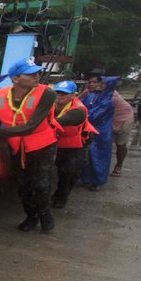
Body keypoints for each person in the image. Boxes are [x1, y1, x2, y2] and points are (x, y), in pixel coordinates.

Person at [0, 58, 60, 232]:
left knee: (41, 184)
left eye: (37, 73)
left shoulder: (47, 94)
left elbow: (30, 127)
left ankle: (45, 215)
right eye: (30, 74)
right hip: (16, 146)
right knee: (23, 185)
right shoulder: (0, 95)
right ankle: (31, 215)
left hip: (42, 145)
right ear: (15, 79)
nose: (36, 76)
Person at [51, 80, 96, 208]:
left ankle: (63, 195)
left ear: (73, 95)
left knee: (70, 171)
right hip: (60, 142)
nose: (60, 97)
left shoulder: (78, 111)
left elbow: (57, 122)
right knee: (60, 169)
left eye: (64, 94)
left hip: (78, 145)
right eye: (58, 93)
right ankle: (58, 192)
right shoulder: (52, 105)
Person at [79, 71, 118, 190]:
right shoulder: (91, 96)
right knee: (88, 155)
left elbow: (93, 115)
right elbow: (79, 106)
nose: (99, 85)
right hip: (89, 130)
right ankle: (86, 179)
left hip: (101, 133)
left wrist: (80, 116)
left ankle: (97, 181)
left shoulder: (108, 101)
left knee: (99, 156)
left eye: (102, 83)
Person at [110, 86, 134, 177]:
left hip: (124, 118)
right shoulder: (89, 91)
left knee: (120, 144)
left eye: (96, 82)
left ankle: (119, 165)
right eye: (90, 82)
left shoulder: (111, 94)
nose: (92, 84)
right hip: (110, 119)